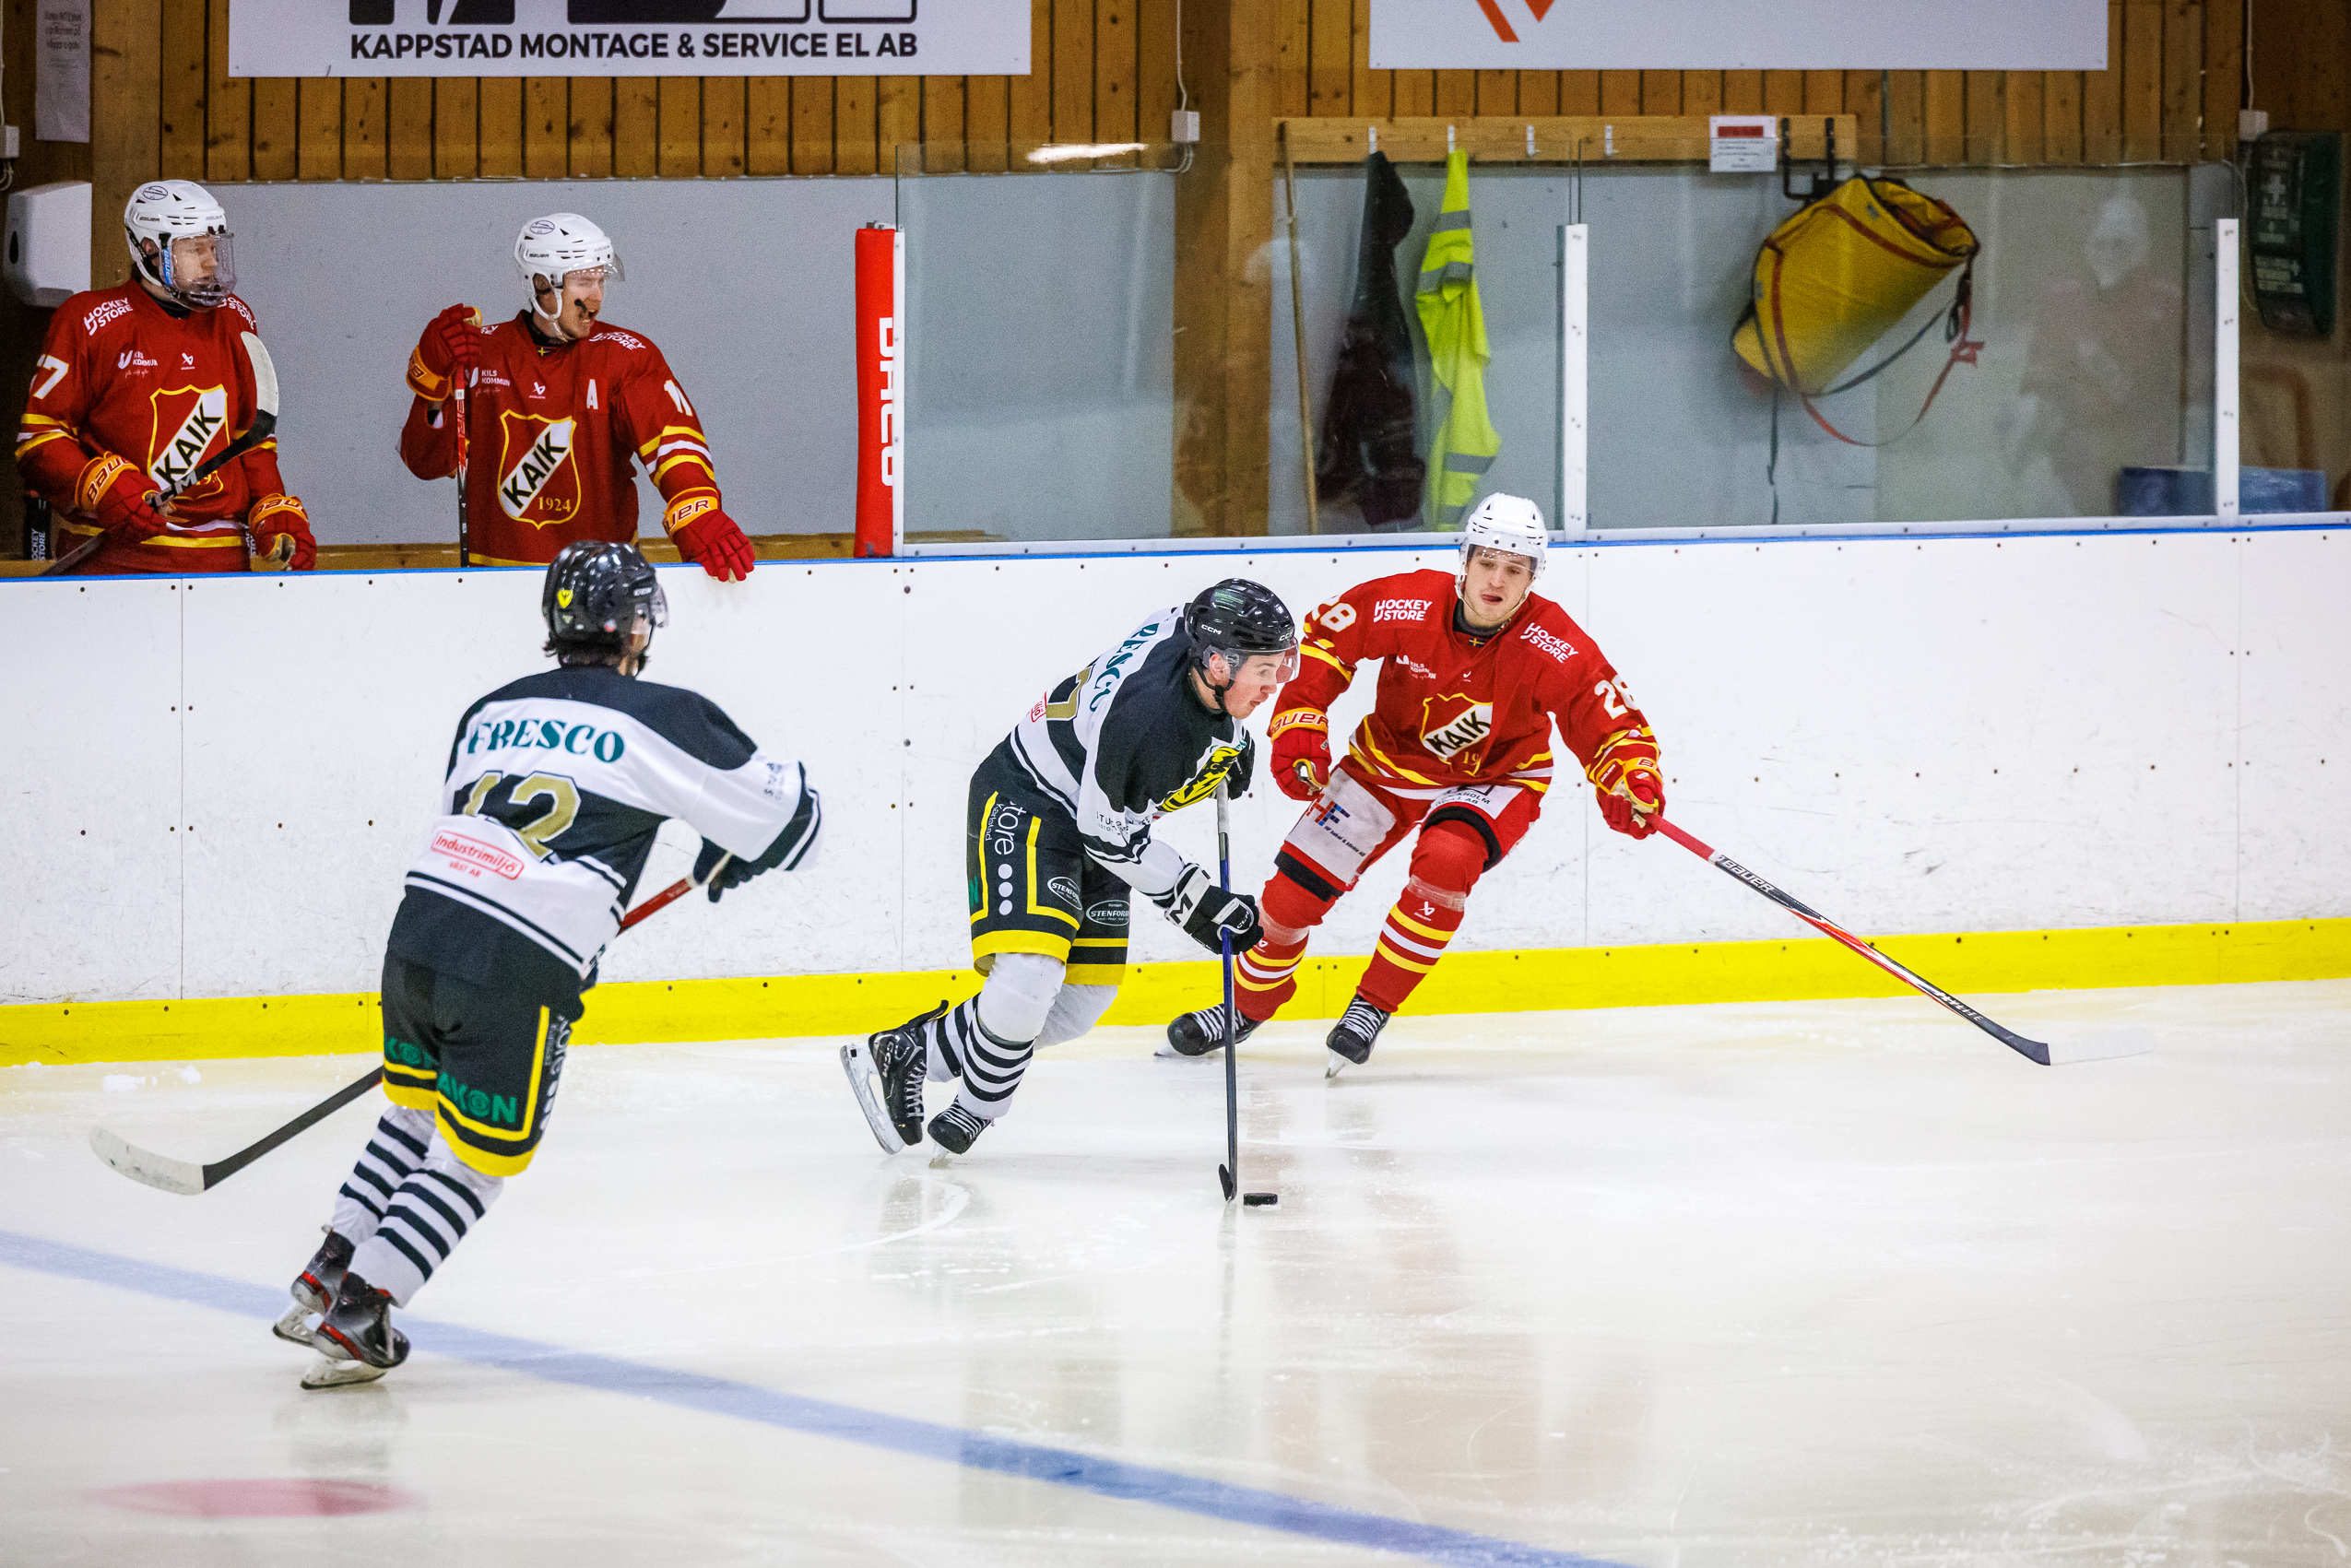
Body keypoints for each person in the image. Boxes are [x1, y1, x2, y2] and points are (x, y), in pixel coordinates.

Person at [277, 541, 821, 1389]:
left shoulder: (488, 710)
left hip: (416, 935)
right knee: (482, 1154)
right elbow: (796, 823)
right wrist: (738, 848)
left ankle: (326, 1271)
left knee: (415, 1110)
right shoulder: (665, 714)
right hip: (516, 965)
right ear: (637, 626)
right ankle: (364, 1304)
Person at [1164, 495, 1665, 1076]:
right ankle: (1248, 1005)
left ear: (1533, 577)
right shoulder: (1408, 601)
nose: (1496, 580)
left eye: (1514, 569)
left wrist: (1630, 778)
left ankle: (1371, 1006)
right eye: (1486, 563)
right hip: (1387, 765)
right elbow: (1326, 643)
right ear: (1464, 560)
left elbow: (1609, 721)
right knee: (1289, 900)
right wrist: (1300, 724)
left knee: (1448, 858)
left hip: (1497, 778)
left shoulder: (1554, 643)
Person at [842, 580, 1297, 1157]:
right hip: (1029, 799)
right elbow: (1109, 838)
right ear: (1216, 664)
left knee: (1080, 1005)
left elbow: (1130, 798)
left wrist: (1228, 740)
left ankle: (913, 1050)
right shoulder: (1147, 720)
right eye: (1265, 670)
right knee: (1029, 975)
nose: (1275, 685)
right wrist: (1198, 901)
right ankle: (978, 1105)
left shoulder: (1192, 644)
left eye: (1279, 666)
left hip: (1096, 808)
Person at [399, 213, 756, 578]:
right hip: (495, 587)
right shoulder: (480, 353)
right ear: (541, 284)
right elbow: (426, 463)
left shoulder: (626, 356)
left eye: (601, 280)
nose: (596, 297)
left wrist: (696, 507)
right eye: (584, 281)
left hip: (604, 586)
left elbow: (671, 440)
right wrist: (434, 383)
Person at [15, 180, 316, 574]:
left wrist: (272, 508)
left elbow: (252, 439)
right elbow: (39, 440)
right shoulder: (88, 319)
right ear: (150, 251)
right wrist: (98, 483)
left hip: (221, 562)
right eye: (195, 249)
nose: (211, 262)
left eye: (214, 248)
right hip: (114, 561)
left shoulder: (236, 319)